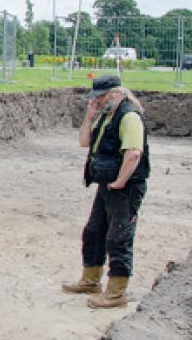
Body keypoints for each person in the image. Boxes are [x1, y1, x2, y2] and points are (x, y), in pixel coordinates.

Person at [62, 74, 150, 309]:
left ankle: (116, 293)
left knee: (119, 237)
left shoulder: (129, 116)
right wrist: (89, 116)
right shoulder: (105, 116)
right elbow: (84, 142)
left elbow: (133, 153)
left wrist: (121, 181)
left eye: (100, 97)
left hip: (124, 187)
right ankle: (91, 280)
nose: (96, 101)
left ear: (116, 94)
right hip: (107, 185)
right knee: (94, 231)